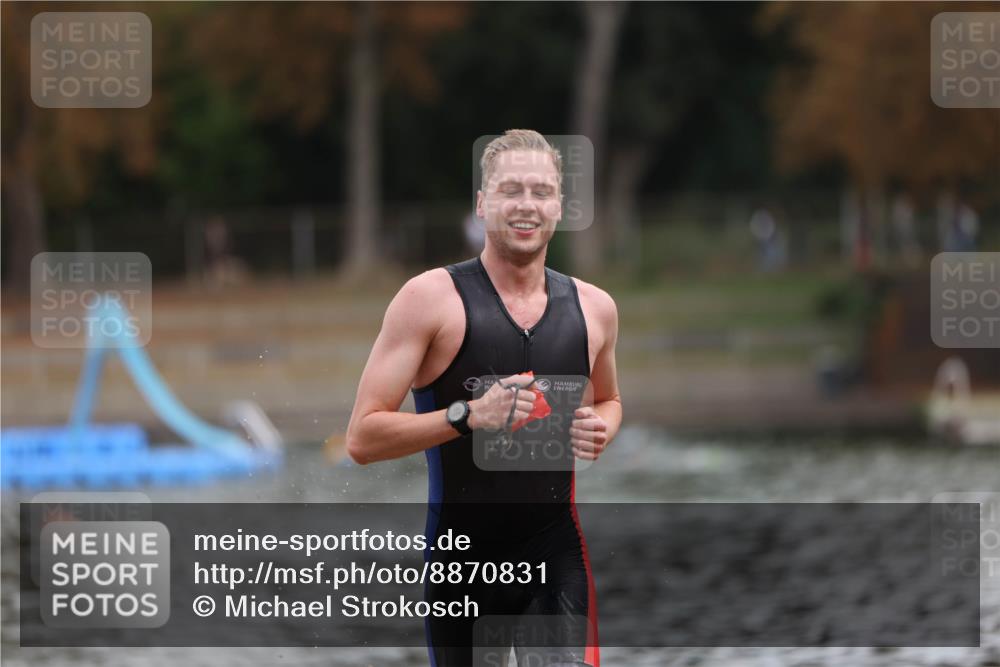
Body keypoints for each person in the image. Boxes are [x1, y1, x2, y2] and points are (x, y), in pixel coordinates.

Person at [346, 129, 622, 666]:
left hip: (554, 556)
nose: (526, 205)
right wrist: (468, 416)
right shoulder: (429, 300)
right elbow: (362, 436)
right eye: (510, 190)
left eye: (541, 191)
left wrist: (602, 427)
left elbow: (610, 400)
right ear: (482, 203)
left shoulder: (595, 309)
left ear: (559, 206)